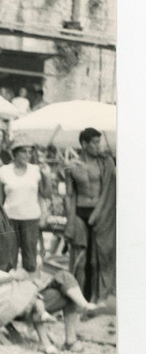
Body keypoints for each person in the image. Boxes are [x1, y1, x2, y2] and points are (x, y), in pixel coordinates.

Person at [64, 127, 116, 303]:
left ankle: (95, 296)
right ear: (84, 144)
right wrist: (70, 220)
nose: (98, 146)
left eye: (99, 142)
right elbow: (69, 194)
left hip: (100, 215)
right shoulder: (71, 166)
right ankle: (79, 298)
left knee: (96, 259)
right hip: (80, 212)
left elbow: (110, 186)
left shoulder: (104, 163)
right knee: (81, 257)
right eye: (94, 142)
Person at [0, 133, 50, 273]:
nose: (27, 155)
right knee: (9, 260)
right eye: (23, 151)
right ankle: (9, 290)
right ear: (14, 153)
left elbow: (43, 195)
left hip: (31, 219)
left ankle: (29, 290)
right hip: (10, 218)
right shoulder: (3, 171)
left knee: (30, 260)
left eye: (29, 151)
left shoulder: (36, 170)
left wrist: (44, 213)